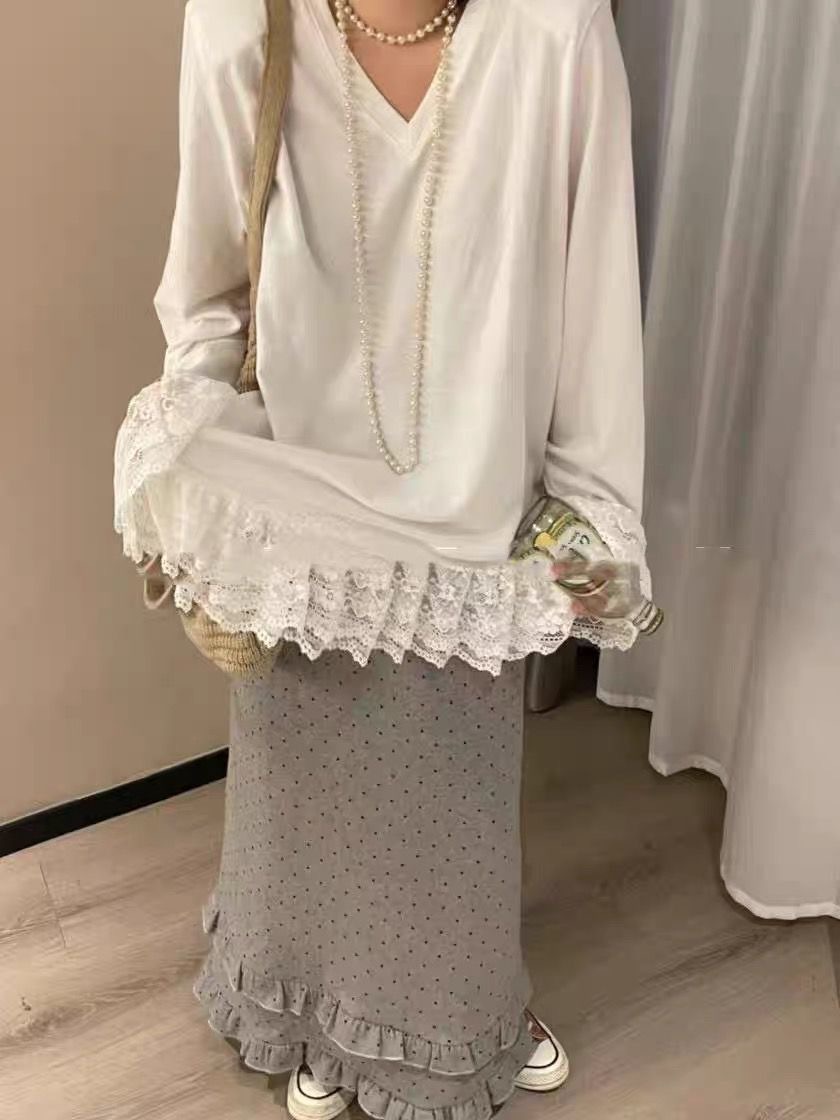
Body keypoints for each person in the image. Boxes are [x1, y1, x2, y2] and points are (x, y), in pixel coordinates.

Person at [113, 0, 652, 1117]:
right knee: (300, 784)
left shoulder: (552, 31)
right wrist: (202, 513)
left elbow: (597, 303)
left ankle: (449, 1021)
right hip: (300, 518)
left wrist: (592, 516)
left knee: (450, 811)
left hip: (471, 526)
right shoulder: (241, 21)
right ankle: (311, 1011)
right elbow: (207, 292)